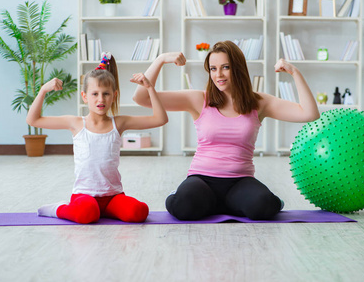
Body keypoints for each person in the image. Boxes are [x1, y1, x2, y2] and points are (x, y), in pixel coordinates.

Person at [133, 40, 320, 221]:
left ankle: (225, 204)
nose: (218, 75)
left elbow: (309, 114)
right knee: (183, 206)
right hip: (202, 179)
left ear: (238, 68)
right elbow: (141, 98)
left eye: (225, 67)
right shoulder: (199, 100)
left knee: (264, 206)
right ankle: (192, 197)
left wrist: (294, 72)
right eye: (213, 69)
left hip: (240, 181)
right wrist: (160, 59)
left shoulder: (259, 102)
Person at [26, 52, 168, 224]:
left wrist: (149, 87)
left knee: (139, 212)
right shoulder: (76, 123)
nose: (101, 99)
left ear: (114, 96)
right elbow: (33, 120)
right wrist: (43, 90)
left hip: (113, 197)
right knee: (87, 213)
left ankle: (104, 212)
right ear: (84, 96)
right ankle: (57, 209)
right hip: (84, 196)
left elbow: (161, 119)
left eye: (106, 94)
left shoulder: (119, 123)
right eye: (95, 94)